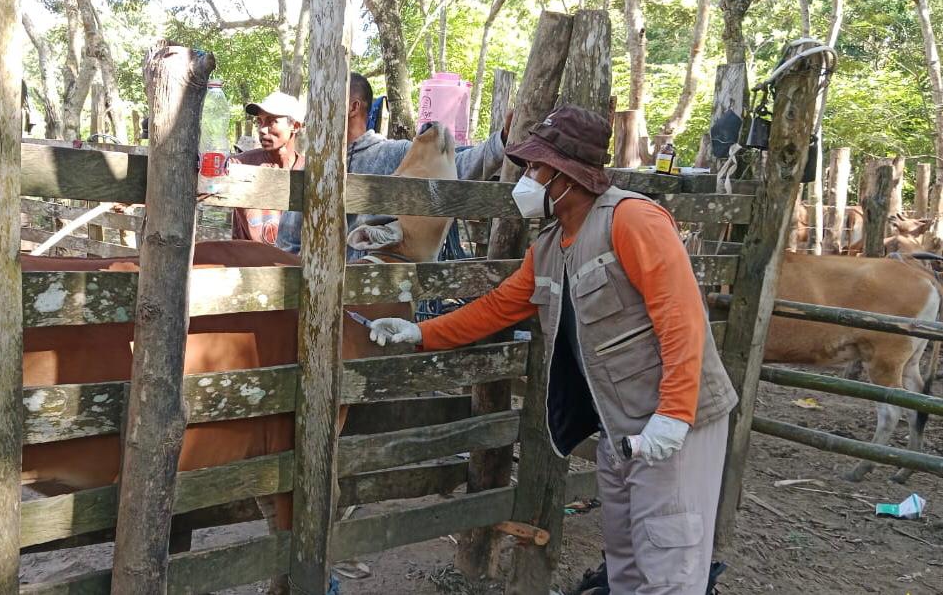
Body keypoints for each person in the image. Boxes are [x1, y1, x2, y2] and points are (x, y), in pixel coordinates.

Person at [367, 105, 738, 595]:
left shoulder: (633, 220)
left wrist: (674, 414)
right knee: (625, 559)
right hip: (620, 425)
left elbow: (682, 318)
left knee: (670, 565)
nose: (527, 178)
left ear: (567, 174)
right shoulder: (550, 245)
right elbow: (498, 307)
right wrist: (422, 333)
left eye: (538, 168)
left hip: (675, 426)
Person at [275, 72, 508, 259]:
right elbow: (289, 241)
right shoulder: (312, 167)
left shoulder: (395, 153)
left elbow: (456, 166)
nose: (315, 113)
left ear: (352, 107)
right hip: (315, 295)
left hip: (376, 292)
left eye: (325, 102)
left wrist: (503, 140)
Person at [228, 91, 305, 245]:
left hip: (290, 264)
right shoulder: (241, 163)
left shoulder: (308, 171)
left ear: (295, 126)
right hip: (246, 262)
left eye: (271, 122)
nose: (262, 130)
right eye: (260, 122)